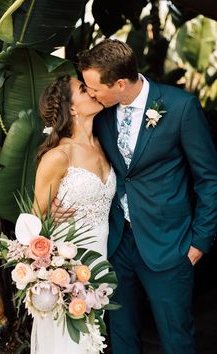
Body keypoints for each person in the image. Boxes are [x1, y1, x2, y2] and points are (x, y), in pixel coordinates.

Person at [75, 39, 217, 354]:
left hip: (170, 244)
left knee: (176, 337)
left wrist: (199, 242)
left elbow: (209, 179)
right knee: (122, 336)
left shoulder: (181, 107)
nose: (90, 93)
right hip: (117, 243)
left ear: (120, 83)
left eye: (95, 87)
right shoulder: (101, 112)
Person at [31, 74, 116, 354]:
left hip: (99, 268)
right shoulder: (58, 156)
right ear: (72, 109)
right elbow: (34, 221)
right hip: (67, 273)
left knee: (91, 343)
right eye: (83, 88)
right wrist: (53, 272)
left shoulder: (104, 143)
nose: (91, 90)